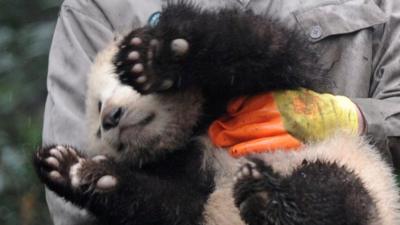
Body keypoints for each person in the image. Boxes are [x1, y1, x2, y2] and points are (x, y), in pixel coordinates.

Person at [42, 0, 400, 224]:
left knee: (334, 193)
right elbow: (79, 209)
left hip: (325, 189)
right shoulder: (97, 10)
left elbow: (260, 51)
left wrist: (356, 117)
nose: (110, 118)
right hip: (215, 205)